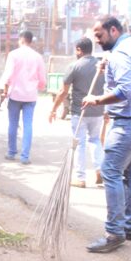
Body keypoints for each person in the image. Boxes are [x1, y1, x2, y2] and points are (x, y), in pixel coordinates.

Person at [83, 16, 131, 253]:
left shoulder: (122, 53)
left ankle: (115, 232)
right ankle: (129, 226)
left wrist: (97, 99)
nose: (96, 40)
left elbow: (126, 90)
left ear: (113, 30)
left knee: (111, 171)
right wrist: (109, 69)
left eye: (99, 35)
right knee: (128, 173)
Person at [49, 37, 105, 188]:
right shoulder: (101, 67)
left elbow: (62, 92)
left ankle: (80, 178)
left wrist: (54, 109)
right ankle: (100, 169)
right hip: (98, 111)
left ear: (79, 50)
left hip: (79, 112)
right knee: (95, 140)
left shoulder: (74, 66)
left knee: (79, 144)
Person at [1, 30, 47, 164]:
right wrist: (39, 87)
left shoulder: (13, 55)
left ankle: (11, 152)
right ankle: (25, 157)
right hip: (31, 96)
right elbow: (42, 78)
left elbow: (8, 74)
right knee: (28, 125)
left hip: (15, 94)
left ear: (21, 40)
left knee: (13, 124)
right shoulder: (37, 57)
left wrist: (5, 90)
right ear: (31, 41)